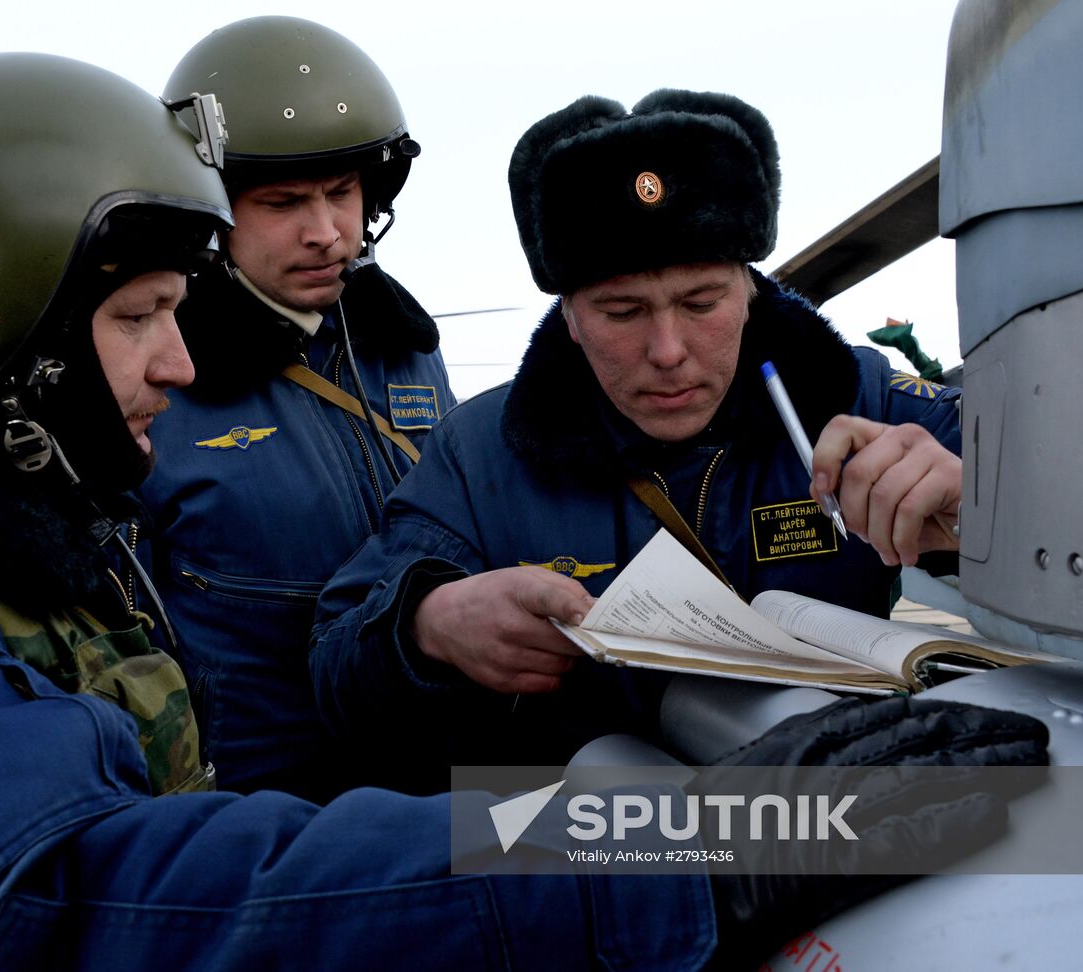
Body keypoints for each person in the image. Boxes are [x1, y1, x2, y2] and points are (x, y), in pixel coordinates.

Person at [0, 57, 1044, 972]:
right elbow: (66, 899)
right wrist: (690, 829)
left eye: (706, 301)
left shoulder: (17, 515)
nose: (179, 363)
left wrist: (1001, 501)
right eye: (136, 320)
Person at [311, 90, 969, 778]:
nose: (667, 350)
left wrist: (978, 510)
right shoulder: (476, 457)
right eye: (622, 312)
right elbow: (333, 669)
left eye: (701, 302)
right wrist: (425, 628)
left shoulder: (867, 399)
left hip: (851, 816)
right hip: (587, 845)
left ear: (748, 287)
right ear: (568, 315)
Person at [138, 16, 456, 800]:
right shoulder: (156, 379)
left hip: (442, 778)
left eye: (342, 194)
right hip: (269, 819)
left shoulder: (402, 344)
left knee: (683, 843)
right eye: (282, 203)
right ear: (210, 212)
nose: (325, 233)